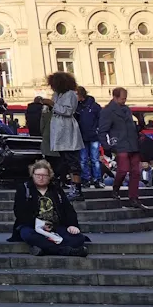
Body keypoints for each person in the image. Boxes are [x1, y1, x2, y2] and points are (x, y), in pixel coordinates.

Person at [9, 160, 89, 257]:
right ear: (32, 175)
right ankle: (66, 251)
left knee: (79, 238)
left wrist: (72, 225)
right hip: (32, 227)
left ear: (49, 176)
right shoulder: (24, 189)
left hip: (55, 226)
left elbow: (68, 209)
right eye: (37, 175)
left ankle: (42, 248)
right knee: (28, 235)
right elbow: (19, 212)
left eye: (44, 175)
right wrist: (39, 224)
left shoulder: (56, 189)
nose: (40, 178)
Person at [99, 87, 146, 209]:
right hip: (120, 144)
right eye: (122, 98)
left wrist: (139, 127)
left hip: (133, 143)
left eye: (125, 98)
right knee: (123, 170)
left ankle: (134, 198)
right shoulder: (107, 111)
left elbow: (130, 127)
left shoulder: (127, 109)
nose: (124, 100)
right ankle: (116, 188)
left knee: (136, 172)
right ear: (115, 97)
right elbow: (102, 130)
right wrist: (106, 146)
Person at [40, 72, 84, 200]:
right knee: (64, 161)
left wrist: (52, 104)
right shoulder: (57, 95)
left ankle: (77, 189)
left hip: (67, 130)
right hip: (58, 131)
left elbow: (68, 111)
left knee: (72, 161)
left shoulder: (71, 94)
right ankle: (65, 184)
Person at [76, 86, 103, 188]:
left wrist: (97, 130)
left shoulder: (94, 106)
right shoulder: (77, 106)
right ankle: (86, 179)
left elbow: (101, 119)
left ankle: (97, 179)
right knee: (83, 160)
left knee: (94, 159)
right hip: (82, 136)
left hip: (93, 136)